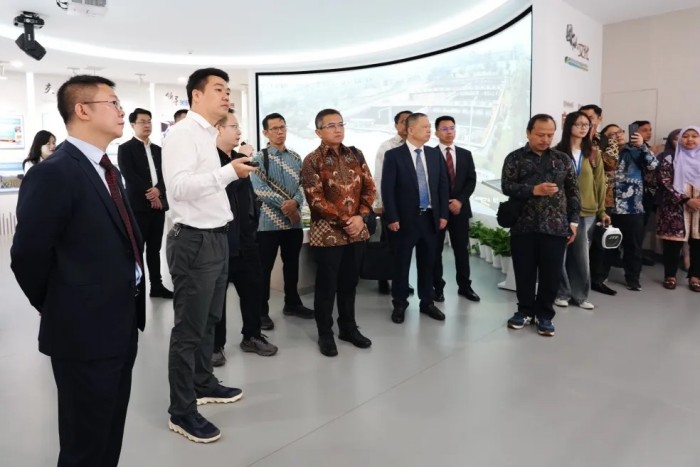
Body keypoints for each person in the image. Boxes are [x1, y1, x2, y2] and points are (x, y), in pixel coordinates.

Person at [11, 74, 145, 467]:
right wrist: (57, 303)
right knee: (84, 443)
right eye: (113, 102)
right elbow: (27, 255)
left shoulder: (107, 168)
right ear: (82, 110)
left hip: (120, 320)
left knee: (109, 429)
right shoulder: (54, 172)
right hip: (82, 329)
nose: (121, 111)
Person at [162, 67, 257, 444]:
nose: (227, 95)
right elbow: (179, 188)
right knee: (189, 329)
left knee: (209, 320)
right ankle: (181, 410)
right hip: (194, 241)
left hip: (216, 238)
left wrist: (230, 171)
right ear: (196, 95)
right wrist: (228, 172)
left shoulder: (206, 135)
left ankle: (203, 382)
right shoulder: (182, 133)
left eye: (228, 90)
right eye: (219, 89)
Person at [301, 108, 375, 357]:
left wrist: (360, 216)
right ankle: (325, 334)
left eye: (340, 124)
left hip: (357, 232)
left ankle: (348, 328)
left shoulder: (356, 154)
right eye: (331, 125)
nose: (337, 129)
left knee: (349, 283)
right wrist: (346, 220)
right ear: (318, 132)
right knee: (326, 287)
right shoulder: (312, 160)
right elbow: (315, 200)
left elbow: (369, 188)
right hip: (328, 235)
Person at [503, 114, 580, 337]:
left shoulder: (562, 159)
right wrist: (533, 190)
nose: (545, 139)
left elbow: (573, 192)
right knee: (524, 272)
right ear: (528, 133)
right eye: (540, 134)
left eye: (550, 135)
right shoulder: (515, 158)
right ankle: (524, 311)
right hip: (523, 225)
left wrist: (573, 221)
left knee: (551, 274)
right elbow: (507, 186)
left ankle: (545, 315)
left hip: (555, 226)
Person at [211, 110, 278, 367]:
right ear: (218, 129)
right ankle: (216, 345)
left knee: (252, 289)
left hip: (247, 238)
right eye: (233, 126)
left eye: (238, 126)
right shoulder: (211, 161)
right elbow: (224, 188)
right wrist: (242, 159)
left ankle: (252, 336)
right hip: (221, 240)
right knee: (218, 297)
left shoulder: (237, 159)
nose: (239, 131)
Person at [382, 112, 449, 324]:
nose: (429, 130)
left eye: (429, 126)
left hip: (430, 218)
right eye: (425, 127)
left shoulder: (434, 154)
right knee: (401, 264)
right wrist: (392, 217)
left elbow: (442, 186)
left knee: (428, 263)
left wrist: (443, 214)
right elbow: (387, 189)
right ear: (411, 130)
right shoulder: (394, 156)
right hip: (404, 220)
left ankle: (427, 302)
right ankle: (400, 303)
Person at [250, 112, 313, 331]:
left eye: (282, 127)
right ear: (265, 132)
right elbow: (259, 189)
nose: (280, 132)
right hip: (267, 223)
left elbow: (303, 185)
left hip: (293, 223)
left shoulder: (295, 157)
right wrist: (287, 205)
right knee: (264, 269)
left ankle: (292, 303)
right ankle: (261, 312)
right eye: (275, 128)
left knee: (292, 265)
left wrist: (295, 202)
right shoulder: (259, 158)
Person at [591, 123, 658, 292]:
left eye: (620, 132)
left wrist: (642, 146)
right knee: (604, 245)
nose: (618, 135)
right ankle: (600, 277)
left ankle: (633, 279)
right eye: (612, 134)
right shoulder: (600, 153)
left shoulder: (635, 150)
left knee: (633, 245)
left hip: (632, 206)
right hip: (607, 207)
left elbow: (653, 166)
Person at [554, 111, 609, 310]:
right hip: (560, 210)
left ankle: (580, 295)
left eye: (586, 124)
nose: (583, 128)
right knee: (559, 253)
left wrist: (602, 210)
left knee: (581, 255)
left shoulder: (593, 153)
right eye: (578, 124)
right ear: (568, 126)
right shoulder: (556, 152)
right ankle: (561, 292)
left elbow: (600, 183)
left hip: (586, 211)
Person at [118, 108, 173, 298]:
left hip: (158, 208)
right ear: (132, 125)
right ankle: (138, 288)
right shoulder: (125, 149)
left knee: (155, 249)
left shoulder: (158, 150)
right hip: (138, 207)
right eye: (142, 121)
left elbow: (166, 174)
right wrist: (151, 194)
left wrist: (159, 191)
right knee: (137, 249)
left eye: (149, 121)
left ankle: (156, 286)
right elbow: (129, 175)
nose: (147, 125)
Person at [431, 115, 480, 303]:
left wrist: (459, 201)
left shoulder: (465, 154)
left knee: (461, 250)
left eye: (452, 128)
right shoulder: (430, 154)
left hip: (460, 210)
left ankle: (465, 287)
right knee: (435, 252)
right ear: (436, 132)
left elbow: (471, 181)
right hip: (437, 211)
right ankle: (438, 287)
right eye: (444, 129)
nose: (449, 132)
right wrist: (444, 204)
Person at [373, 110, 414, 295]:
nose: (406, 125)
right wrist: (379, 203)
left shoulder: (416, 147)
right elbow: (379, 177)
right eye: (403, 121)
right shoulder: (387, 147)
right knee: (389, 244)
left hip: (411, 208)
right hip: (391, 205)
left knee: (406, 246)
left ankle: (401, 280)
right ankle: (383, 278)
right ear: (396, 125)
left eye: (409, 121)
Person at [656, 126, 700, 291]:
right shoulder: (671, 157)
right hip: (675, 206)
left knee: (698, 243)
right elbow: (665, 181)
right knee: (672, 244)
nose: (690, 139)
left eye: (694, 136)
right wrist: (686, 200)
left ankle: (695, 276)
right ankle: (670, 275)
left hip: (699, 207)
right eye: (685, 136)